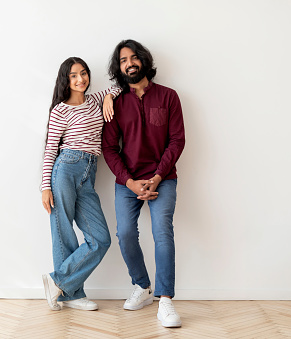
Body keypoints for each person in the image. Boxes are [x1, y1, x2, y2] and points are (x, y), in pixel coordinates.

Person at [102, 40, 185, 327]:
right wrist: (130, 181)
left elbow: (177, 140)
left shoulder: (169, 96)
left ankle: (165, 301)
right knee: (124, 233)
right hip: (128, 181)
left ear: (144, 61)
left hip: (163, 178)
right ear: (119, 68)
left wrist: (158, 176)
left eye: (134, 58)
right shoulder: (116, 103)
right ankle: (142, 286)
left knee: (162, 231)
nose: (129, 63)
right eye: (123, 60)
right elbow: (109, 148)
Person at [41, 57, 121, 311]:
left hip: (89, 172)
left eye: (84, 73)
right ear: (66, 79)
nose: (80, 79)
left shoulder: (95, 99)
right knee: (63, 230)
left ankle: (59, 283)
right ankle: (71, 294)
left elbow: (119, 85)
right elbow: (50, 148)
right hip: (66, 168)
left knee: (101, 238)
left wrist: (109, 98)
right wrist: (45, 186)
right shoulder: (60, 110)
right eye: (74, 75)